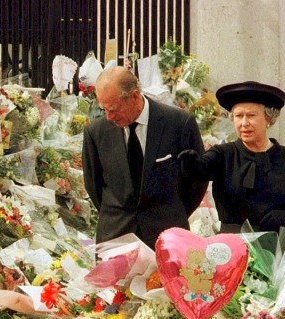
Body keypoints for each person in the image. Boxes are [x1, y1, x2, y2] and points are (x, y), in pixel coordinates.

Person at [82, 66, 208, 250]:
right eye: (104, 109)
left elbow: (197, 180)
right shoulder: (96, 132)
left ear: (134, 96)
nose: (109, 117)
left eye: (114, 109)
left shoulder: (179, 123)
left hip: (167, 237)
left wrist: (172, 213)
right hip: (115, 237)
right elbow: (94, 186)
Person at [179, 81, 285, 234]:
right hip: (233, 250)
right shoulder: (223, 154)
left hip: (281, 251)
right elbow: (201, 168)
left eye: (251, 115)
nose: (244, 123)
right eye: (238, 116)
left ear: (268, 119)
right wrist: (190, 163)